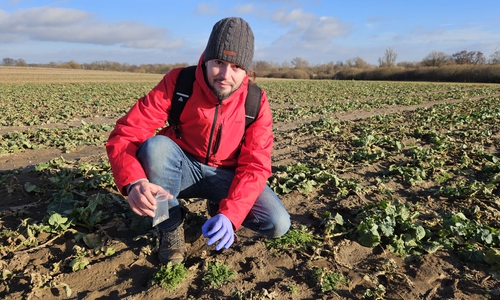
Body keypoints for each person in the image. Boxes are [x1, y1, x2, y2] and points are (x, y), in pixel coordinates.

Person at [106, 17, 290, 264]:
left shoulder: (255, 101)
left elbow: (256, 165)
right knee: (155, 149)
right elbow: (127, 132)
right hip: (179, 168)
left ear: (247, 70)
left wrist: (231, 214)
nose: (225, 75)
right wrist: (134, 182)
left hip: (225, 175)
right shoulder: (180, 82)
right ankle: (169, 226)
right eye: (219, 62)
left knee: (277, 223)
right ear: (206, 59)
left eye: (236, 66)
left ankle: (218, 206)